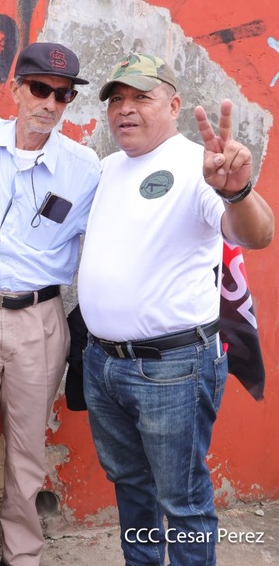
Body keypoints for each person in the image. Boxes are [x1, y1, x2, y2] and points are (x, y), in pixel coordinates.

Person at [78, 52, 274, 565]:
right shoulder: (108, 167)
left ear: (174, 105)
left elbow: (256, 234)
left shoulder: (199, 166)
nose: (125, 108)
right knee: (130, 486)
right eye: (117, 99)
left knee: (182, 502)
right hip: (103, 363)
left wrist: (238, 192)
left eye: (141, 97)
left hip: (172, 369)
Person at [0, 42, 101, 566]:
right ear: (16, 89)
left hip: (39, 319)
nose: (50, 103)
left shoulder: (84, 169)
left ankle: (24, 554)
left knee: (28, 451)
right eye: (39, 89)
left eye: (63, 95)